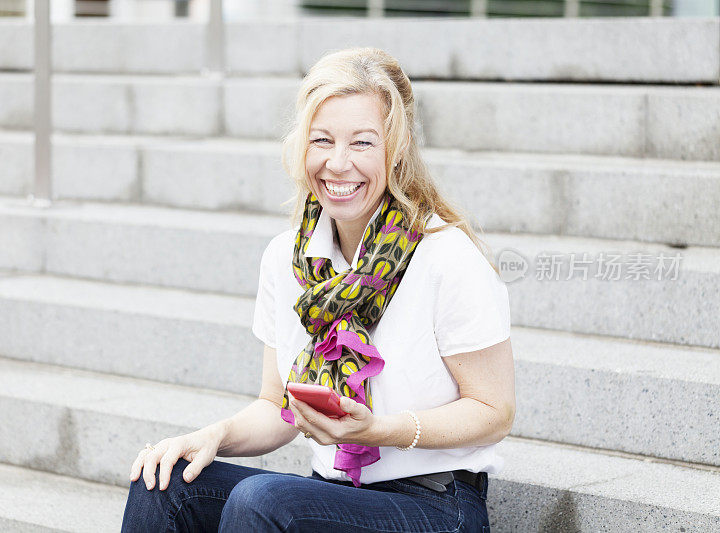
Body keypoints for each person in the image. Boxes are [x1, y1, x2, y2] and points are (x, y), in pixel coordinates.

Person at [121, 47, 515, 532]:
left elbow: (494, 411)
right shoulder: (288, 259)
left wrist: (379, 431)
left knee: (260, 500)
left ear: (398, 150)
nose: (338, 163)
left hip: (437, 503)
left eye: (363, 143)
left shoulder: (446, 257)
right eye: (322, 139)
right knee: (163, 483)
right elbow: (276, 407)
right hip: (331, 495)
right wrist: (214, 435)